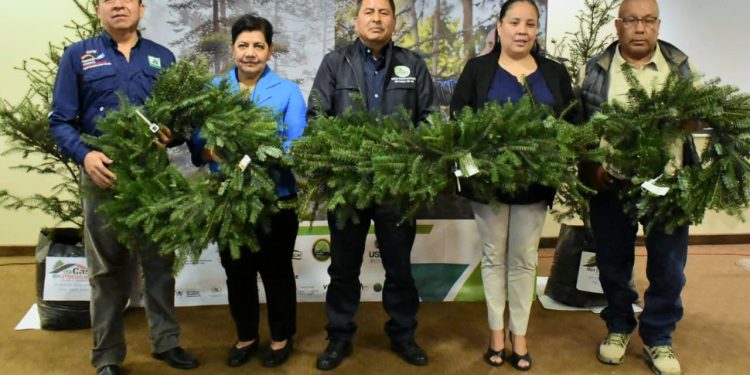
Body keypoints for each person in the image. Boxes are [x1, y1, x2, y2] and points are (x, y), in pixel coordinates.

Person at [48, 1, 198, 374]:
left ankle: (166, 342)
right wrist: (85, 156)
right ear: (99, 9)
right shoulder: (77, 56)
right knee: (106, 271)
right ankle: (108, 356)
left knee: (160, 265)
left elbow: (178, 120)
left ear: (141, 8)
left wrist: (172, 133)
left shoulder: (163, 58)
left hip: (153, 178)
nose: (119, 4)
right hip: (104, 176)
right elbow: (61, 121)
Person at [307, 0, 436, 370]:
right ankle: (339, 337)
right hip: (348, 185)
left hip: (397, 186)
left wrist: (410, 150)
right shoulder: (336, 63)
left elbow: (429, 117)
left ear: (394, 20)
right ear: (356, 18)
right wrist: (341, 153)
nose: (376, 18)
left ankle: (404, 335)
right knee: (343, 268)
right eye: (369, 11)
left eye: (384, 12)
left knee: (399, 267)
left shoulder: (412, 64)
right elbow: (317, 115)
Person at [450, 0, 578, 371]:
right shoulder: (477, 70)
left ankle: (519, 334)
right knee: (493, 258)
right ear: (500, 27)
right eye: (515, 22)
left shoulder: (553, 73)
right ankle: (495, 333)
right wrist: (473, 168)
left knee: (523, 260)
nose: (522, 30)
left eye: (530, 23)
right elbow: (459, 124)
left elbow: (572, 122)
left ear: (536, 29)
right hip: (488, 187)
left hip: (535, 186)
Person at [579, 1, 697, 374]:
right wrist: (591, 163)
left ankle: (659, 337)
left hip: (667, 183)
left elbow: (695, 117)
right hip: (612, 182)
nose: (640, 28)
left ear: (658, 25)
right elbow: (584, 124)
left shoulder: (678, 66)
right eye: (632, 20)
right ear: (618, 25)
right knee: (613, 262)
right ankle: (617, 326)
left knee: (669, 267)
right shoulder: (598, 68)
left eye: (648, 20)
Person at [187, 14, 306, 369]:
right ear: (232, 49)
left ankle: (282, 336)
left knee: (277, 272)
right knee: (237, 272)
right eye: (243, 45)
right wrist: (212, 151)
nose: (250, 53)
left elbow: (297, 147)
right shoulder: (213, 90)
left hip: (276, 200)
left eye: (258, 46)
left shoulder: (287, 91)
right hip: (229, 200)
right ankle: (246, 336)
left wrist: (258, 154)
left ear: (269, 51)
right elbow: (197, 145)